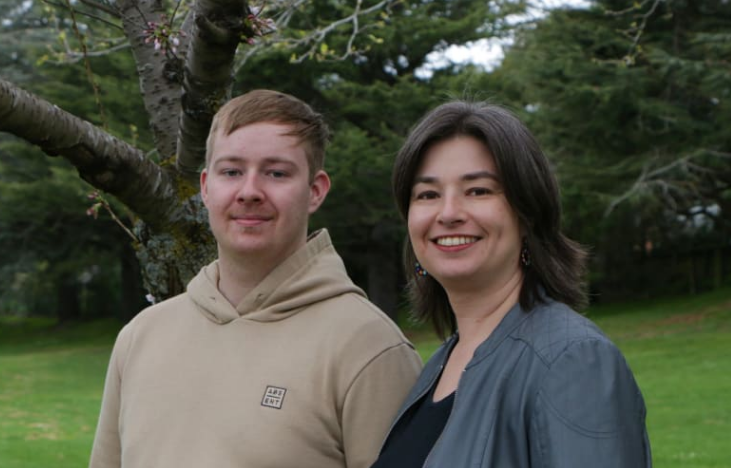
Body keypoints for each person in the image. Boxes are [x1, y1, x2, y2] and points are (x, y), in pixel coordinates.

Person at [89, 89, 422, 468]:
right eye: (231, 172)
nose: (249, 192)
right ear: (205, 188)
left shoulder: (369, 348)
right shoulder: (140, 337)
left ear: (315, 191)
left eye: (276, 173)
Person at [371, 100, 652, 467]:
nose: (449, 213)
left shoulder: (573, 360)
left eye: (478, 190)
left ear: (527, 212)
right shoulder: (441, 363)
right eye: (428, 194)